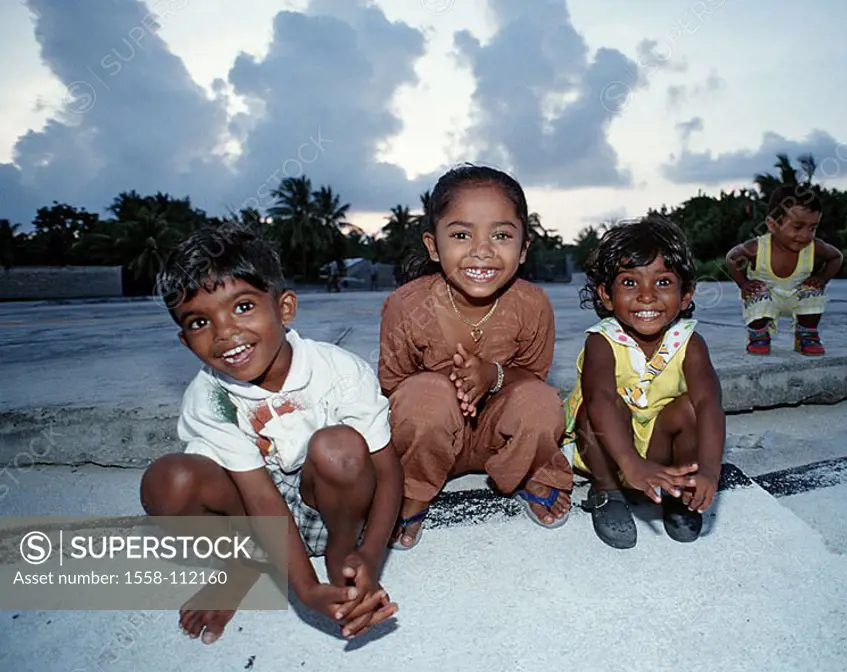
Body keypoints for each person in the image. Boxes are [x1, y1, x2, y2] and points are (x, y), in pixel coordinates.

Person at [140, 222, 403, 643]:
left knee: (339, 446)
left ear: (284, 308)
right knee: (168, 482)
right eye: (199, 322)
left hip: (329, 506)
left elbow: (387, 473)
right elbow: (261, 498)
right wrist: (306, 591)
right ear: (186, 342)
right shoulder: (208, 399)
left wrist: (370, 554)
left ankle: (341, 553)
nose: (224, 332)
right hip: (255, 517)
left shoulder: (337, 370)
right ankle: (243, 566)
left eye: (242, 306)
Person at [377, 163, 573, 549]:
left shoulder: (532, 305)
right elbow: (393, 390)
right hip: (431, 437)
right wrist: (443, 388)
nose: (482, 251)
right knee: (424, 397)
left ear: (523, 249)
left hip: (497, 439)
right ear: (434, 246)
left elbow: (532, 377)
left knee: (541, 402)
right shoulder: (405, 305)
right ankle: (415, 490)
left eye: (501, 235)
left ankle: (529, 469)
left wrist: (493, 376)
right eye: (462, 234)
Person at [561, 217, 726, 550]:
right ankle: (607, 492)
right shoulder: (602, 341)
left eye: (663, 282)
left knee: (692, 406)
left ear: (686, 294)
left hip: (658, 450)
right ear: (606, 295)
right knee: (596, 408)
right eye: (630, 283)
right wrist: (631, 464)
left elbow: (710, 404)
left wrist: (709, 470)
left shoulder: (689, 342)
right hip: (608, 451)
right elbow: (601, 400)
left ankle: (679, 490)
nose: (647, 296)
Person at [725, 184, 844, 356]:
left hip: (796, 296)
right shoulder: (757, 247)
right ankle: (759, 334)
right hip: (767, 297)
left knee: (814, 290)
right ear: (773, 225)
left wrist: (822, 279)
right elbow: (731, 258)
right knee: (756, 292)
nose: (805, 235)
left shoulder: (814, 246)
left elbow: (836, 257)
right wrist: (744, 284)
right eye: (797, 227)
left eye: (812, 228)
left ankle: (806, 334)